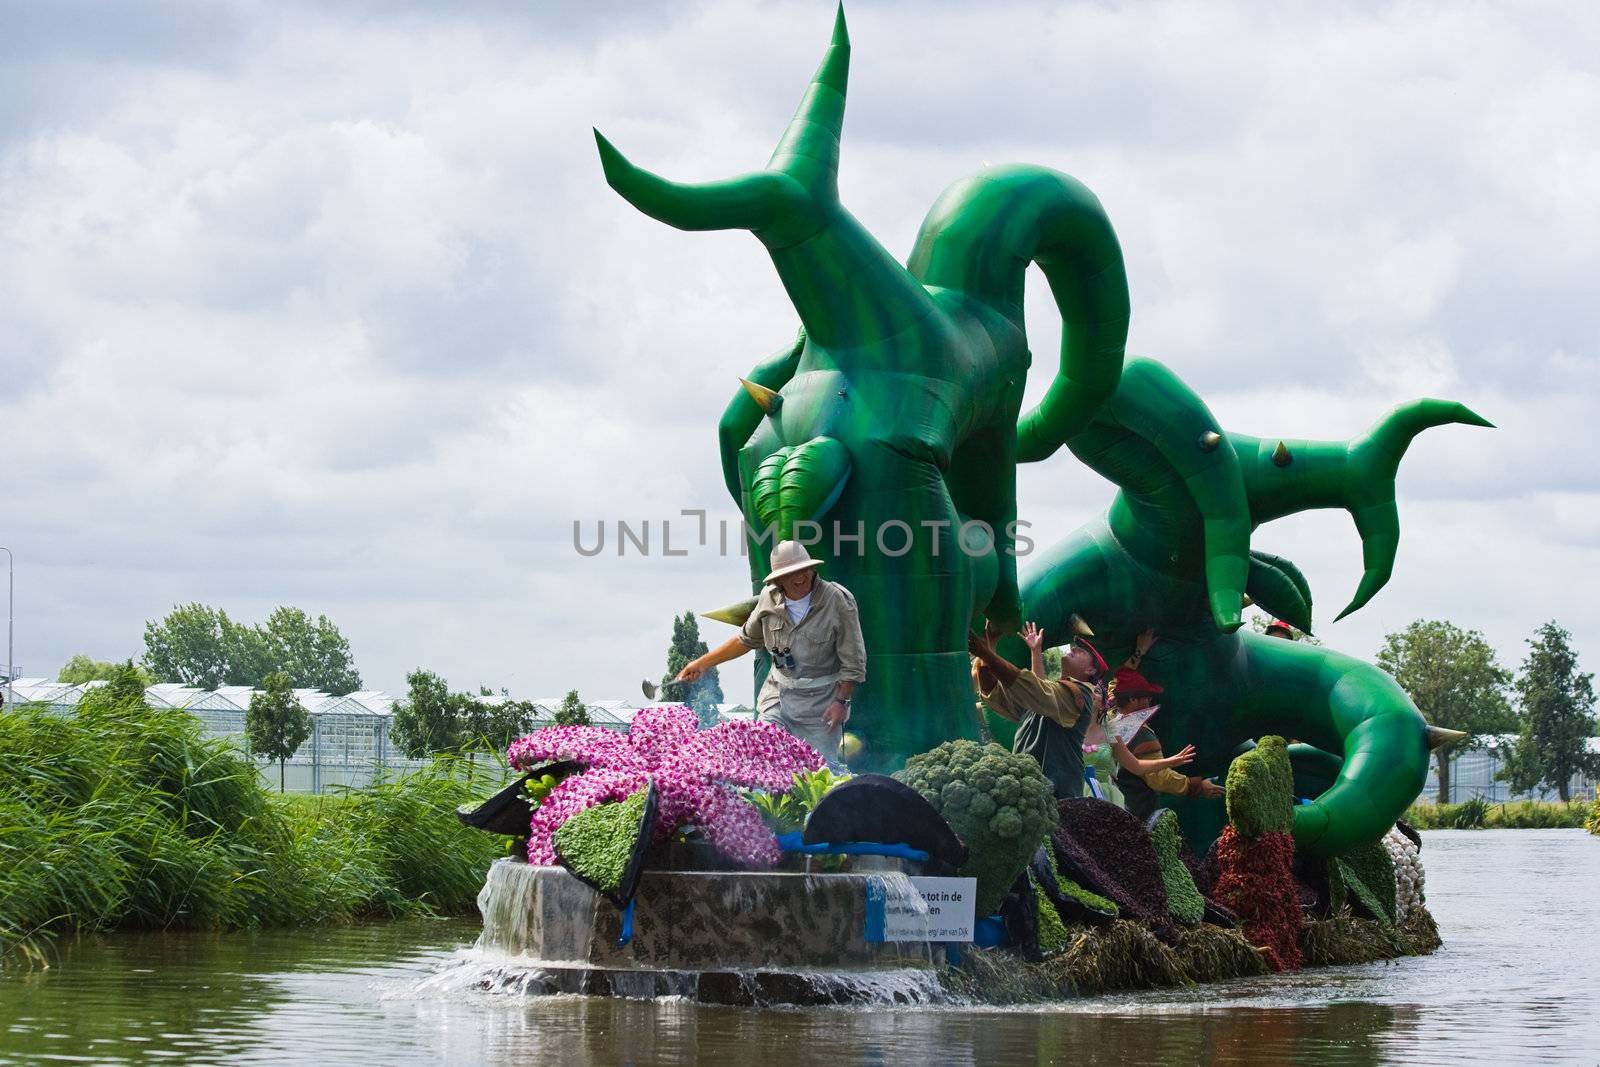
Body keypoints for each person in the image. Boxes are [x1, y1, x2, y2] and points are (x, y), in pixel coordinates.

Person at [676, 540, 865, 767]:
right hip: (778, 694)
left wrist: (841, 702)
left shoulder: (838, 601)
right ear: (777, 579)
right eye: (791, 573)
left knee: (820, 772)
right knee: (765, 756)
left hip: (821, 704)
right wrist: (703, 663)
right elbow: (745, 640)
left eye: (804, 570)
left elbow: (853, 662)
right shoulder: (768, 598)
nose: (800, 577)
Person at [970, 621, 1103, 800]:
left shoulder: (1082, 694)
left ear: (1091, 669)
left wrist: (985, 652)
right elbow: (995, 693)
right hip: (1025, 789)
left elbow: (1036, 690)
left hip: (1058, 796)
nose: (1074, 648)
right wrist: (989, 650)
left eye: (1083, 650)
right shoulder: (1049, 696)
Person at [1108, 662, 1225, 821]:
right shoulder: (1142, 734)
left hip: (1114, 804)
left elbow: (1119, 679)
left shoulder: (1112, 721)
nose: (1149, 702)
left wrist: (1139, 653)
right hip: (1137, 811)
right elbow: (1160, 778)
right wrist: (1196, 786)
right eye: (1147, 697)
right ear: (1133, 699)